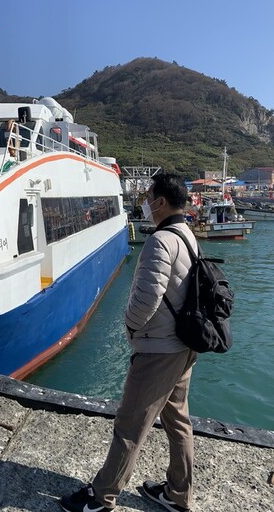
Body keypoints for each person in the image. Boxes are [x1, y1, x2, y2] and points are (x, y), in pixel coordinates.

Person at [61, 174, 199, 512]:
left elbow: (144, 302)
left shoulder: (161, 241)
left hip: (158, 351)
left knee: (129, 425)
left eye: (149, 196)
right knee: (177, 420)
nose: (145, 202)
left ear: (161, 202)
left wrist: (131, 330)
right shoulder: (188, 235)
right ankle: (178, 494)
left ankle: (101, 497)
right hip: (183, 346)